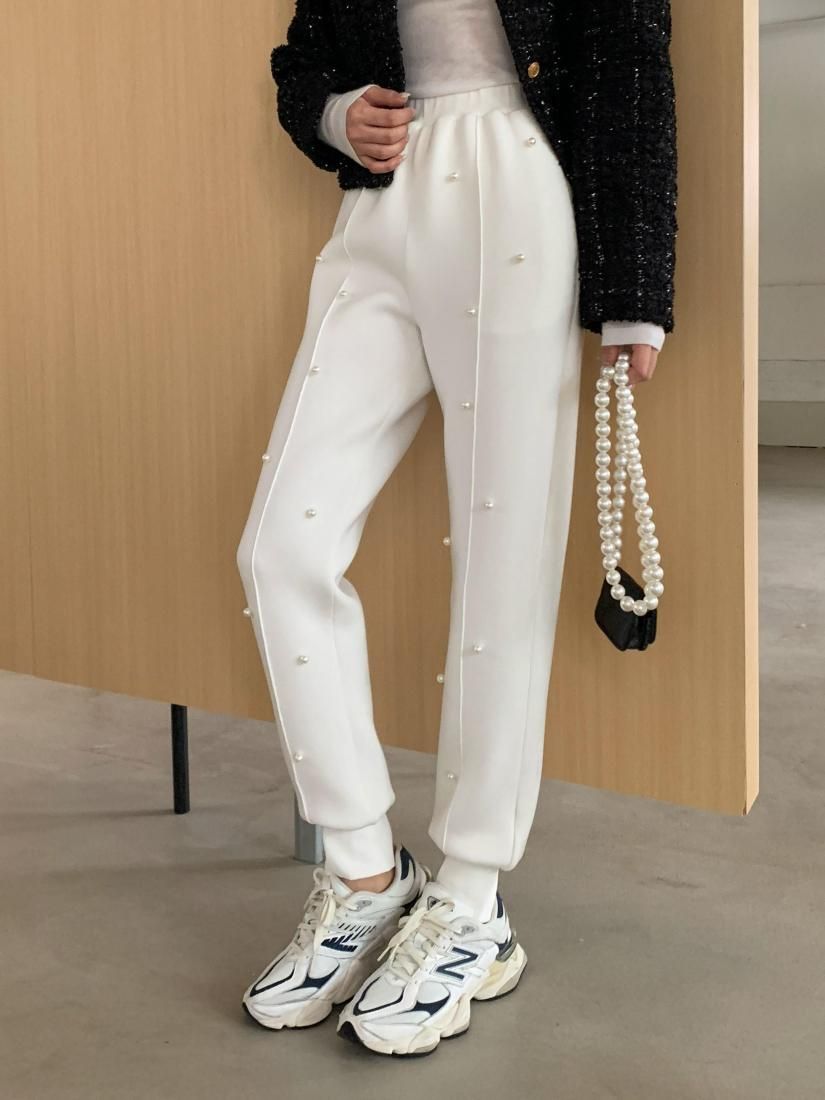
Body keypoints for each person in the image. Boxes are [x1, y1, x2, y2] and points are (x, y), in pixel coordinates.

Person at [235, 0, 677, 1057]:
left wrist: (634, 291)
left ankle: (473, 902)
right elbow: (305, 56)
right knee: (280, 546)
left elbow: (625, 58)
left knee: (502, 562)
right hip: (378, 209)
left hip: (517, 185)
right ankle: (363, 872)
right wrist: (336, 116)